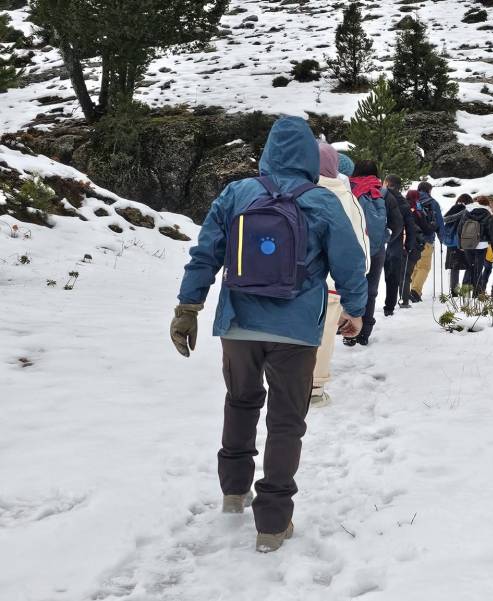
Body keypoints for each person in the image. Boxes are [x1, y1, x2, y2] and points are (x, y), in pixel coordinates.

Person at [169, 116, 367, 553]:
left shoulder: (237, 193)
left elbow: (205, 254)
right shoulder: (321, 201)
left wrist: (188, 307)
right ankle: (273, 525)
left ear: (269, 151)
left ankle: (234, 491)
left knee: (240, 402)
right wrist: (354, 310)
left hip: (238, 325)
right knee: (285, 421)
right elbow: (350, 262)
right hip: (296, 331)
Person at [311, 143, 370, 406]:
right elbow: (358, 243)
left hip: (294, 281)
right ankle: (313, 389)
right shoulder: (344, 195)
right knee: (323, 336)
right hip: (333, 282)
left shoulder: (290, 191)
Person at [344, 160, 388, 346]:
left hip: (354, 246)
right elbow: (397, 220)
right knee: (371, 291)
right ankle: (365, 332)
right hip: (377, 249)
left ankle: (349, 332)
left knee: (352, 288)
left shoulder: (348, 188)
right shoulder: (382, 191)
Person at [381, 174, 418, 316]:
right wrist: (408, 245)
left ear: (387, 183)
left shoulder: (379, 196)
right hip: (396, 243)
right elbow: (410, 226)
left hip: (378, 241)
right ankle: (389, 307)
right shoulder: (403, 202)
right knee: (393, 277)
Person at [408, 181, 443, 303]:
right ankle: (415, 292)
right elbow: (439, 222)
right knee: (424, 266)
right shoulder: (432, 203)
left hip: (411, 238)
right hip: (426, 239)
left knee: (415, 265)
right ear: (429, 191)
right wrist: (441, 238)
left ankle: (409, 290)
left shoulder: (411, 200)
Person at [461, 196, 493, 294]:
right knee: (478, 269)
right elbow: (492, 233)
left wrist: (460, 244)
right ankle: (476, 293)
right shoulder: (487, 215)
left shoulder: (467, 211)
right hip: (481, 245)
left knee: (469, 267)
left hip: (468, 244)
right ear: (487, 204)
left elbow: (460, 228)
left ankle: (465, 291)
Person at [441, 194, 471, 295]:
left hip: (452, 242)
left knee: (454, 267)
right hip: (466, 242)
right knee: (469, 265)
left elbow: (444, 219)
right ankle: (465, 291)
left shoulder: (454, 208)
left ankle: (454, 291)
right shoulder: (469, 210)